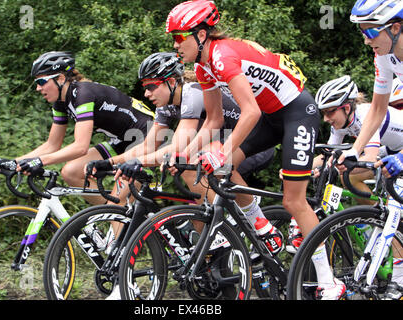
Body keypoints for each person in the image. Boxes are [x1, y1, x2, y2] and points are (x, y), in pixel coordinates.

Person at [164, 0, 345, 299]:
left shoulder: (222, 56)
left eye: (180, 37)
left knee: (293, 200)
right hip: (271, 118)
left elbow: (250, 113)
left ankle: (329, 281)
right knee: (220, 166)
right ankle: (262, 226)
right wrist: (183, 152)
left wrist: (222, 150)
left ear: (201, 34)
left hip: (296, 112)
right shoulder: (203, 65)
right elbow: (215, 119)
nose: (175, 45)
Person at [89, 51, 275, 300]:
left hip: (252, 143)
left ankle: (256, 218)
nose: (146, 94)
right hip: (218, 144)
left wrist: (137, 162)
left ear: (172, 81)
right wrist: (110, 162)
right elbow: (148, 146)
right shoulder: (166, 107)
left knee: (194, 159)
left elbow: (176, 148)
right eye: (145, 88)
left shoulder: (194, 92)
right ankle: (216, 250)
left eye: (152, 86)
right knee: (194, 170)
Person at [0, 51, 155, 208]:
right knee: (71, 172)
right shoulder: (60, 102)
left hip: (147, 137)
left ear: (61, 78)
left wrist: (39, 161)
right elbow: (52, 145)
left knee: (117, 203)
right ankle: (114, 216)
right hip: (122, 140)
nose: (37, 88)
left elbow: (80, 147)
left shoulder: (83, 94)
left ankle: (117, 214)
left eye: (41, 82)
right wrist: (16, 163)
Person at [343, 1, 403, 299]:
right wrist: (355, 148)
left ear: (395, 27)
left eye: (370, 31)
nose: (366, 40)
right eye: (362, 32)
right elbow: (377, 110)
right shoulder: (385, 56)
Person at [314, 75, 402, 205]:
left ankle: (389, 219)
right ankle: (375, 218)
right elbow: (327, 155)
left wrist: (336, 167)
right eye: (323, 113)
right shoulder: (341, 123)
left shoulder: (365, 115)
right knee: (350, 177)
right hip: (393, 150)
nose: (326, 119)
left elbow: (370, 158)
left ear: (347, 108)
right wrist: (296, 169)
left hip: (400, 153)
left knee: (395, 206)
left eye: (329, 112)